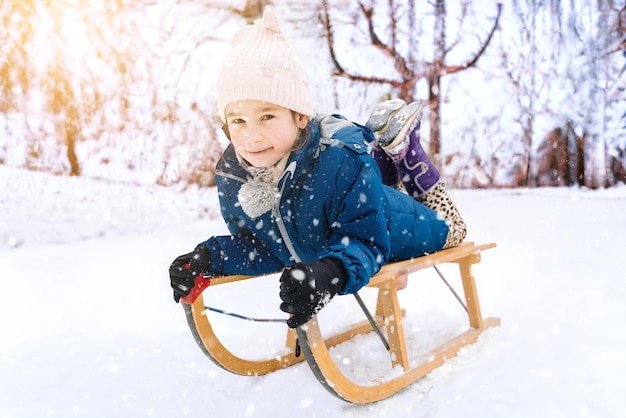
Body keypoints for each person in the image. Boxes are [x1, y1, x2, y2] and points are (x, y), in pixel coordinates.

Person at [169, 9, 466, 328]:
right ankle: (381, 161)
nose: (251, 135)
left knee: (453, 227)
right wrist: (209, 257)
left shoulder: (339, 158)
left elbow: (366, 241)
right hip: (356, 203)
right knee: (368, 186)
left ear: (301, 117)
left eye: (267, 117)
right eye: (238, 121)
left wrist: (332, 271)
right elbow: (264, 246)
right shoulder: (232, 173)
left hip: (402, 226)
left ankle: (406, 152)